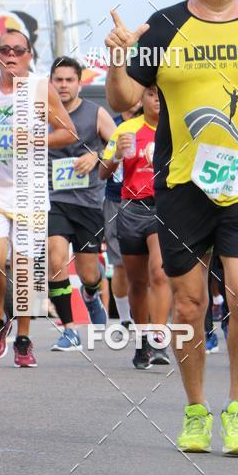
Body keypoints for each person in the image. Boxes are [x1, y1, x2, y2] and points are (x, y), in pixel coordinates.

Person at [105, 0, 238, 455]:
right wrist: (119, 59)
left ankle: (237, 410)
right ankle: (194, 411)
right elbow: (124, 96)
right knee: (189, 306)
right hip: (181, 184)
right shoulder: (164, 25)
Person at [0, 29, 76, 365]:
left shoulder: (40, 89)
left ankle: (24, 338)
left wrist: (37, 141)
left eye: (18, 50)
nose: (11, 55)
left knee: (27, 270)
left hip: (30, 191)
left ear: (29, 55)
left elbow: (68, 132)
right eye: (4, 49)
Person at [47, 57, 116, 350]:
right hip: (53, 199)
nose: (63, 85)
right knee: (55, 259)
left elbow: (120, 144)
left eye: (68, 80)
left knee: (89, 273)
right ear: (50, 82)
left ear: (79, 83)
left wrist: (98, 155)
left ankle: (91, 294)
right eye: (58, 80)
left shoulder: (95, 113)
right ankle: (69, 329)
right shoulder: (42, 114)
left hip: (88, 202)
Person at [100, 84, 172, 368]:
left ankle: (159, 339)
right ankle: (142, 338)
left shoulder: (178, 129)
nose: (157, 99)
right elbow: (103, 171)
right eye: (152, 93)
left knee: (160, 273)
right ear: (141, 97)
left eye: (162, 94)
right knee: (137, 282)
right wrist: (117, 154)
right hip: (130, 209)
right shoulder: (126, 129)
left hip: (164, 208)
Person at [103, 102, 143, 330]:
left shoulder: (155, 122)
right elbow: (103, 167)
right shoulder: (113, 124)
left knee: (148, 266)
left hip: (147, 201)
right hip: (116, 199)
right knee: (119, 264)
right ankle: (125, 317)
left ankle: (146, 317)